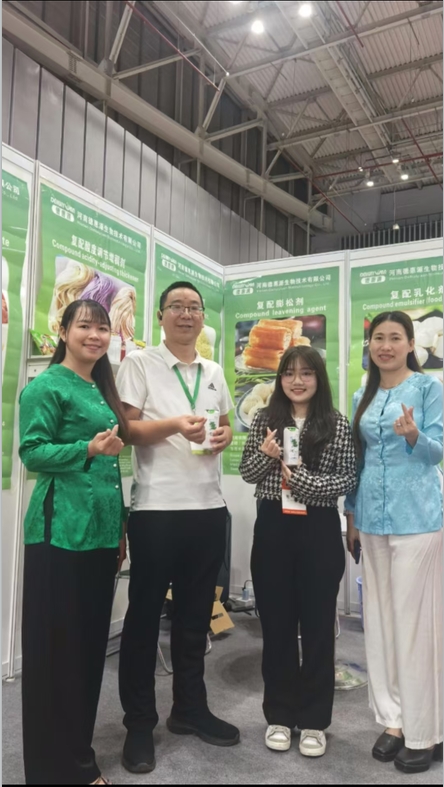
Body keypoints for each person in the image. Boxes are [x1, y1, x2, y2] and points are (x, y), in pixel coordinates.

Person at [115, 281, 239, 774]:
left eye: (194, 307)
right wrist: (174, 425)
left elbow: (225, 426)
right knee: (144, 619)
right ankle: (139, 725)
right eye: (177, 307)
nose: (186, 314)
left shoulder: (213, 371)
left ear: (202, 316)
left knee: (193, 618)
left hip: (207, 508)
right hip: (156, 511)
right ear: (161, 315)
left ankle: (189, 708)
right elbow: (127, 430)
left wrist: (223, 436)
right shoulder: (139, 363)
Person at [19, 299, 127, 786]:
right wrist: (86, 447)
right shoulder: (46, 386)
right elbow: (32, 453)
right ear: (63, 332)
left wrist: (119, 529)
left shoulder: (99, 388)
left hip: (99, 534)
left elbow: (110, 469)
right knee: (56, 657)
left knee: (85, 653)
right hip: (59, 533)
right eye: (85, 326)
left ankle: (78, 758)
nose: (95, 335)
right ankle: (56, 770)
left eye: (103, 328)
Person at [239, 345, 357, 758]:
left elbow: (347, 478)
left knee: (319, 627)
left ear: (318, 378)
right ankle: (279, 715)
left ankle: (314, 721)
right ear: (280, 379)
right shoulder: (265, 419)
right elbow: (248, 472)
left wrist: (305, 482)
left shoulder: (336, 423)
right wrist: (266, 455)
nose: (297, 381)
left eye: (306, 373)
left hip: (318, 528)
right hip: (273, 525)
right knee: (276, 627)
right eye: (289, 373)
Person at [345, 311, 443, 775]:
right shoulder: (360, 395)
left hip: (417, 518)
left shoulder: (428, 388)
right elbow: (357, 460)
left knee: (415, 626)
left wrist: (414, 436)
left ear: (410, 345)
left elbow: (437, 451)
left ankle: (427, 731)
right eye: (378, 338)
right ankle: (394, 720)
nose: (385, 345)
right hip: (371, 518)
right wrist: (350, 515)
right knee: (380, 621)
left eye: (395, 338)